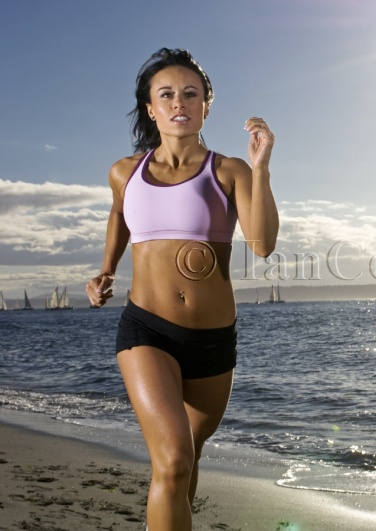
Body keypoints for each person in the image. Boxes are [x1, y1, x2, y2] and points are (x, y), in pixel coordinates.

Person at [85, 48, 278, 530]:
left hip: (213, 340)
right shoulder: (125, 172)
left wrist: (261, 169)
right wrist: (106, 268)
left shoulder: (229, 170)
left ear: (206, 106)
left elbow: (262, 245)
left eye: (190, 94)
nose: (179, 103)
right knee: (172, 460)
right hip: (146, 329)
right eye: (166, 94)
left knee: (186, 458)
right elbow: (118, 213)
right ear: (151, 108)